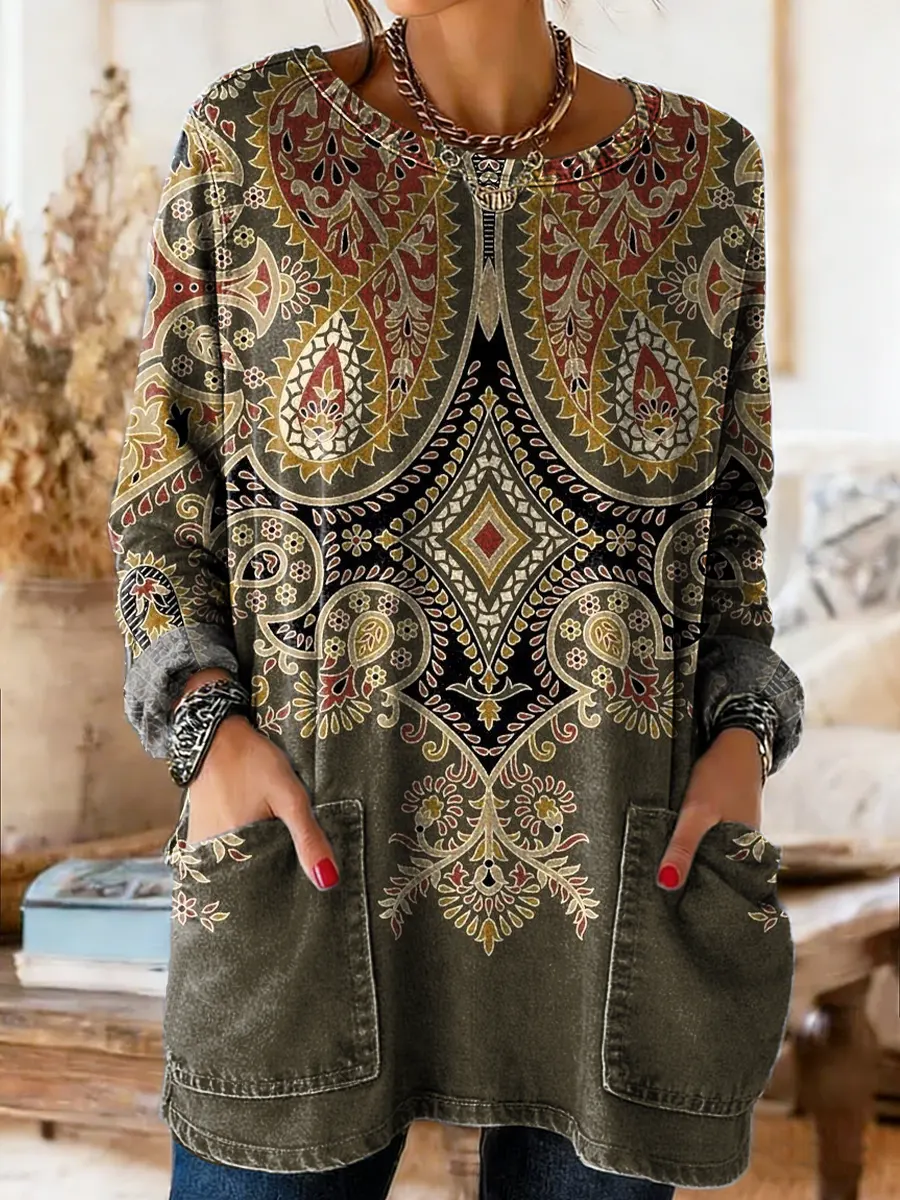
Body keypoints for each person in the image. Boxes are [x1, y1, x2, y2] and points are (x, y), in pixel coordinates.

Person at [107, 1, 806, 1197]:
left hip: (618, 889)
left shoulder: (706, 175)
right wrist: (206, 729)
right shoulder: (253, 138)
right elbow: (164, 492)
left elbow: (729, 527)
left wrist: (743, 735)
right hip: (309, 866)